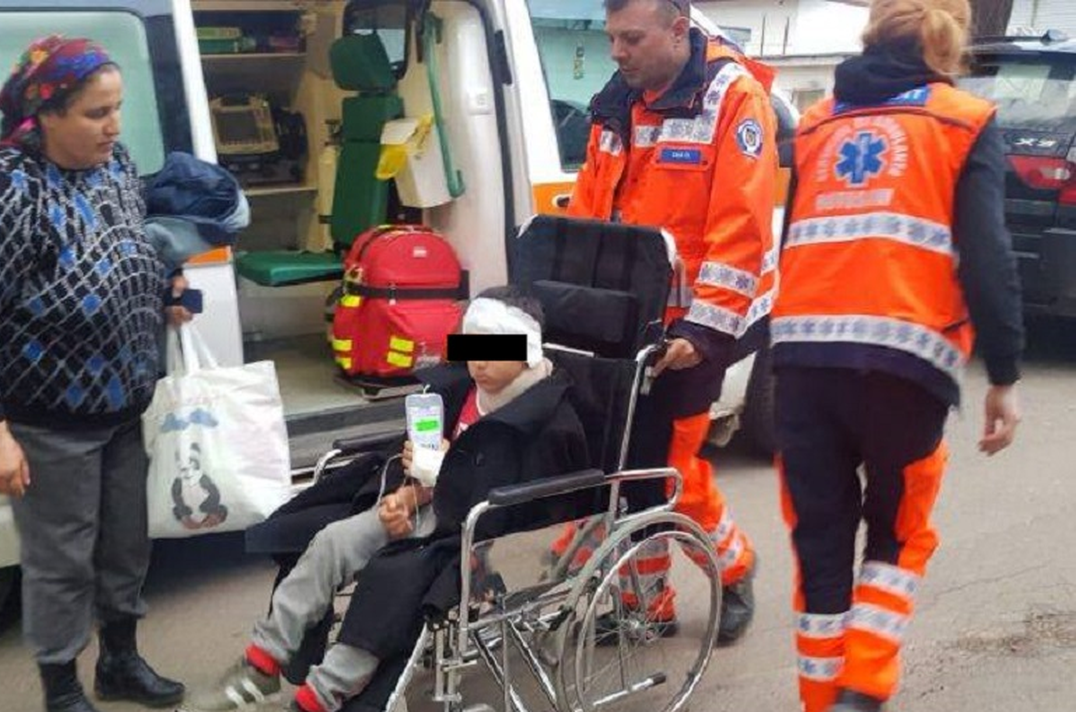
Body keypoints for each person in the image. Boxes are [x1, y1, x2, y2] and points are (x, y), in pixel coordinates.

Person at [769, 1, 1025, 710]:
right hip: (905, 367)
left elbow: (795, 242)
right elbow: (988, 258)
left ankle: (822, 699)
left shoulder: (817, 122)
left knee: (819, 544)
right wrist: (1004, 376)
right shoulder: (962, 120)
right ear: (951, 38)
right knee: (899, 531)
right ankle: (864, 687)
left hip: (804, 361)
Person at [0, 36, 194, 712]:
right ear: (45, 113)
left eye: (117, 109)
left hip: (123, 407)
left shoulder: (115, 166)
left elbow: (135, 241)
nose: (114, 127)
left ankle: (121, 663)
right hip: (49, 423)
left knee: (126, 548)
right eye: (96, 113)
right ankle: (62, 689)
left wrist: (168, 285)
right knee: (60, 563)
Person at [180, 287, 591, 712]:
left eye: (494, 350)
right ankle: (262, 663)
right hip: (427, 506)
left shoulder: (550, 419)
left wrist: (448, 473)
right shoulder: (458, 392)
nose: (479, 363)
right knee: (332, 540)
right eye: (472, 347)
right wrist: (405, 495)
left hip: (479, 534)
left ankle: (321, 696)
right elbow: (423, 463)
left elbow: (528, 509)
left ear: (527, 351)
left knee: (389, 580)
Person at [563, 0, 774, 642]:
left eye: (631, 38)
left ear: (679, 30)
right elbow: (589, 211)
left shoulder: (733, 99)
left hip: (704, 321)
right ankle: (645, 605)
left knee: (668, 468)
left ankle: (734, 567)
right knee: (626, 468)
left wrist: (701, 332)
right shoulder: (616, 101)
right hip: (630, 319)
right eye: (612, 39)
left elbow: (741, 229)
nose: (617, 52)